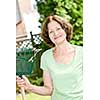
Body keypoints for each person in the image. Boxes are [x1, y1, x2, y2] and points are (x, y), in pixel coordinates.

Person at [16, 15, 83, 100]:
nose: (55, 33)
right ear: (48, 36)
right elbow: (48, 89)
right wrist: (29, 87)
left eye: (58, 29)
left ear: (65, 29)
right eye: (51, 32)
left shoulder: (82, 53)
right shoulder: (46, 57)